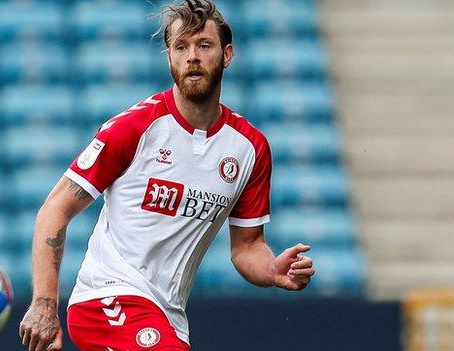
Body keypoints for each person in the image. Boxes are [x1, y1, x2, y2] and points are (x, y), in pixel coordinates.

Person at [19, 1, 315, 350]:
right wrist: (44, 303)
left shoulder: (249, 148)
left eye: (204, 45)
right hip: (107, 299)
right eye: (181, 47)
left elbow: (247, 246)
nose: (192, 56)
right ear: (170, 58)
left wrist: (272, 271)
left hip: (168, 316)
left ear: (227, 55)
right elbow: (55, 209)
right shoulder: (134, 128)